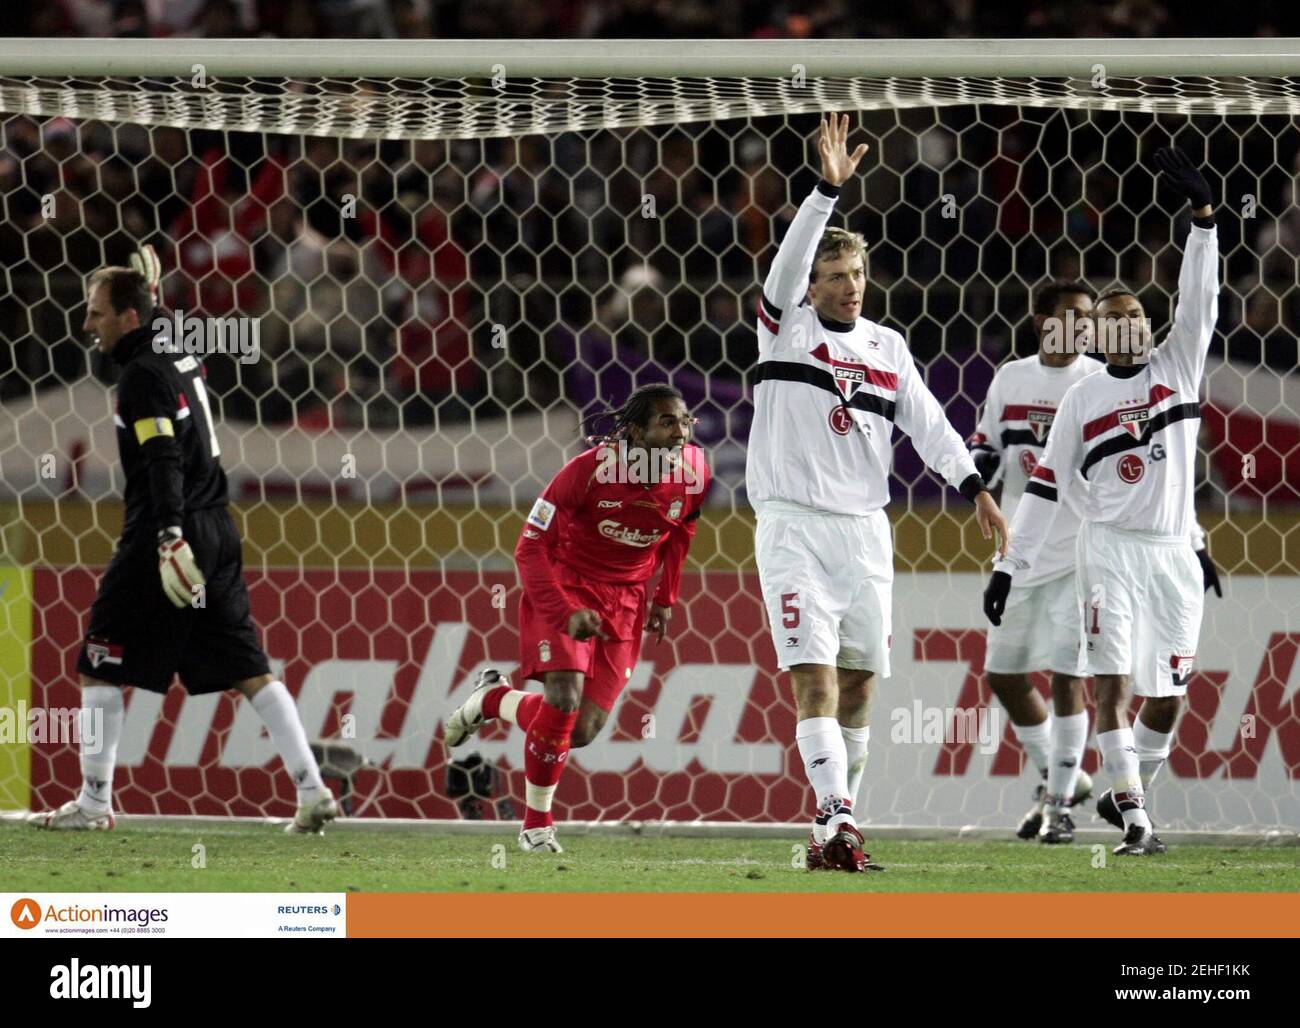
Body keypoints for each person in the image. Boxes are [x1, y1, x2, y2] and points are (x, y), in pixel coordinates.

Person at [748, 116, 1009, 872]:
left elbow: (928, 424)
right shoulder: (784, 331)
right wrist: (825, 192)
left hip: (866, 532)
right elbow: (786, 263)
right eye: (834, 276)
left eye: (856, 273)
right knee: (816, 677)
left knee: (859, 687)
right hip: (795, 527)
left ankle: (834, 830)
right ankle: (837, 819)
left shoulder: (887, 347)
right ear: (811, 287)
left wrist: (975, 488)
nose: (849, 285)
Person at [30, 253, 337, 835]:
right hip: (217, 526)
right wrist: (152, 291)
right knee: (249, 668)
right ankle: (312, 790)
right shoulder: (176, 349)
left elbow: (162, 455)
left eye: (96, 313)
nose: (87, 324)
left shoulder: (141, 376)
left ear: (128, 317)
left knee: (98, 661)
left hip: (165, 531)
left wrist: (168, 535)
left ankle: (93, 805)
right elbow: (159, 325)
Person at [984, 148, 1220, 856]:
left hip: (1172, 554)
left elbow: (1201, 299)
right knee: (1110, 685)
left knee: (1169, 694)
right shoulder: (1083, 399)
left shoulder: (1178, 367)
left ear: (1149, 325)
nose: (1126, 324)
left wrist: (1203, 221)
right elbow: (1044, 488)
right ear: (1099, 334)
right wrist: (1008, 565)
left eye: (1135, 314)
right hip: (1107, 553)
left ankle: (1124, 793)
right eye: (1112, 319)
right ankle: (1139, 822)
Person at [443, 384, 710, 853]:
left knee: (581, 730)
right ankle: (536, 827)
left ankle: (493, 699)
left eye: (685, 422)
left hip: (625, 601)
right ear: (635, 431)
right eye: (667, 422)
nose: (680, 433)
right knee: (563, 698)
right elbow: (529, 547)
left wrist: (665, 596)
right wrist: (563, 611)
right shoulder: (586, 472)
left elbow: (682, 529)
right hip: (568, 586)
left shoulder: (695, 470)